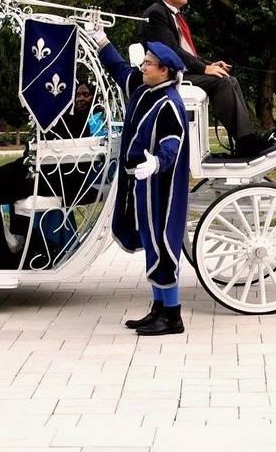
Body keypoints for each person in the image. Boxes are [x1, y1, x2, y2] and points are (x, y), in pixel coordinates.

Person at [92, 29, 190, 336]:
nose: (142, 67)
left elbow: (173, 143)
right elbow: (120, 69)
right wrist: (103, 41)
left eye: (148, 63)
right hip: (141, 185)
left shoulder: (169, 103)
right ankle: (159, 308)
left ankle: (172, 315)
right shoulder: (145, 89)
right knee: (150, 241)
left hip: (160, 188)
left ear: (165, 71)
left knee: (162, 243)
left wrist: (157, 163)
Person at [142, 0, 275, 158]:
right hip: (167, 75)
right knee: (221, 82)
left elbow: (186, 52)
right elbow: (172, 51)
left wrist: (211, 64)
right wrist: (205, 68)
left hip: (181, 70)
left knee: (229, 78)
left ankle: (247, 139)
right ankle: (246, 143)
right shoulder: (156, 13)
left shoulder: (174, 15)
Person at [0, 82, 103, 269]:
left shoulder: (71, 120)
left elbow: (37, 161)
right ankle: (13, 248)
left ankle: (15, 251)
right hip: (46, 176)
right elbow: (29, 159)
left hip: (60, 181)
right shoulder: (51, 118)